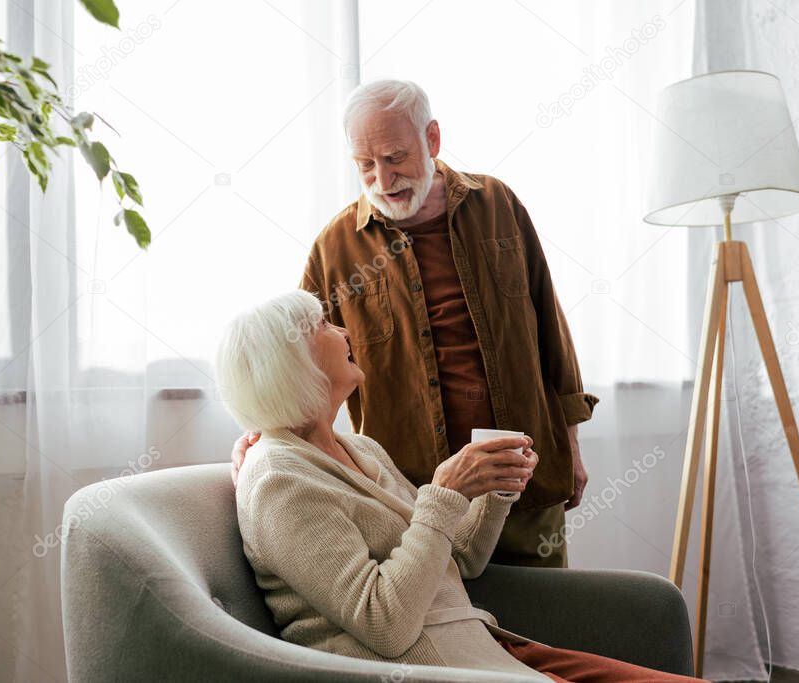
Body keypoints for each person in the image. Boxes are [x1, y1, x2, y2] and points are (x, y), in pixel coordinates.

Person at [217, 290, 704, 682]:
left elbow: (460, 561)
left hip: (488, 646)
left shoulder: (360, 450)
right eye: (324, 325)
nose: (343, 330)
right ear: (289, 362)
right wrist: (445, 492)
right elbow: (384, 624)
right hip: (437, 670)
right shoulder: (279, 481)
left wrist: (492, 491)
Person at [233, 79, 598, 567]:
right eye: (366, 165)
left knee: (546, 631)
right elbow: (297, 354)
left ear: (432, 140)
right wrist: (261, 432)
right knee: (451, 633)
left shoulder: (498, 205)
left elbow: (551, 329)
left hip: (521, 479)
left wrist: (571, 446)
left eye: (395, 157)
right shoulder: (336, 246)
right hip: (414, 501)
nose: (383, 180)